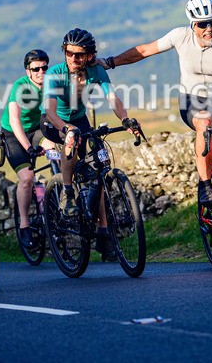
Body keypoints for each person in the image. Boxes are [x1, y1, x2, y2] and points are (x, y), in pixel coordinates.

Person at [100, 0, 212, 248]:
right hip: (192, 101)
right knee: (204, 122)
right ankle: (205, 184)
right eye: (202, 24)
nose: (209, 28)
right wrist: (111, 62)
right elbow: (144, 50)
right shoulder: (180, 36)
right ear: (192, 25)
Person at [40, 28, 140, 262]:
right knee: (71, 143)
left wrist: (125, 119)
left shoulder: (96, 71)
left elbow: (112, 98)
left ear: (89, 56)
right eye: (69, 53)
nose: (73, 59)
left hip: (79, 119)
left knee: (99, 175)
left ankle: (103, 232)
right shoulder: (55, 73)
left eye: (79, 54)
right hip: (54, 121)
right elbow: (50, 111)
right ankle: (66, 192)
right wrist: (66, 130)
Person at [0, 49, 54, 250]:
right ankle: (24, 225)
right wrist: (29, 148)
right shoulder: (21, 86)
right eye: (36, 69)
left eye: (44, 68)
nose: (41, 72)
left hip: (37, 130)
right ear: (28, 72)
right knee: (27, 178)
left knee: (56, 150)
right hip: (14, 134)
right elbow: (15, 121)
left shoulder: (50, 85)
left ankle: (58, 194)